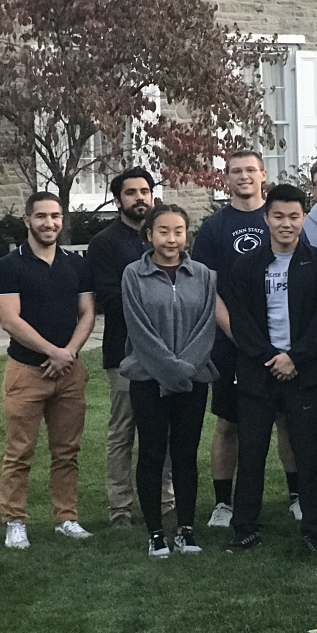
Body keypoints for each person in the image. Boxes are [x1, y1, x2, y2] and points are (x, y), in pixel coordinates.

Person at [223, 184, 317, 555]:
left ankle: (315, 530)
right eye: (278, 216)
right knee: (252, 451)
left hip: (307, 372)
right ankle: (244, 527)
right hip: (259, 371)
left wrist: (296, 357)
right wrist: (271, 357)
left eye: (293, 216)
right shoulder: (245, 266)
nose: (286, 224)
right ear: (266, 218)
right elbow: (240, 321)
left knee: (311, 452)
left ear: (303, 218)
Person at [192, 151, 299, 528]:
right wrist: (239, 336)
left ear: (263, 175)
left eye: (250, 170)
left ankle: (297, 496)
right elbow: (210, 289)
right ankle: (224, 503)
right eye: (236, 171)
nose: (244, 176)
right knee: (228, 424)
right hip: (232, 343)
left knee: (287, 421)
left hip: (284, 343)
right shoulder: (213, 228)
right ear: (226, 178)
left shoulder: (281, 217)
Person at [120, 204, 218, 557]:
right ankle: (156, 532)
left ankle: (186, 529)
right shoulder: (134, 275)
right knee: (152, 452)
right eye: (163, 231)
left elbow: (207, 327)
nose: (171, 238)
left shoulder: (204, 275)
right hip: (148, 379)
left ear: (186, 234)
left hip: (193, 379)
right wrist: (170, 370)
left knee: (185, 454)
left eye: (178, 231)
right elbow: (139, 331)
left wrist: (185, 370)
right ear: (149, 235)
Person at [0, 193, 96, 549]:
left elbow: (87, 313)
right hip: (27, 370)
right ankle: (15, 521)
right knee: (19, 452)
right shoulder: (10, 265)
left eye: (55, 216)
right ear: (27, 220)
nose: (49, 223)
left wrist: (68, 353)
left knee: (67, 451)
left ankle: (66, 518)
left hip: (69, 371)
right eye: (41, 216)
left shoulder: (77, 264)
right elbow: (9, 318)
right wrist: (51, 351)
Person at [87, 167, 173, 527]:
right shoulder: (105, 243)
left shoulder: (165, 235)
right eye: (131, 192)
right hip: (124, 353)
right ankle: (120, 507)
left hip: (168, 351)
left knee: (164, 431)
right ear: (118, 199)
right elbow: (108, 297)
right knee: (123, 431)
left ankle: (167, 502)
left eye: (145, 191)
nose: (140, 197)